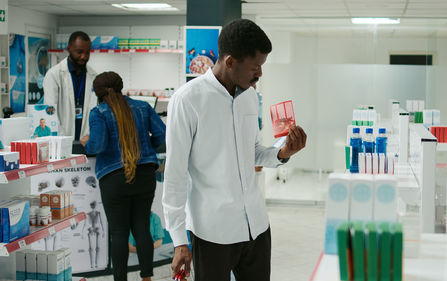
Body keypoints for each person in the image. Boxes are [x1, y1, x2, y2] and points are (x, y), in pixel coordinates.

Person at [162, 19, 307, 281]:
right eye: (255, 67)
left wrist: (283, 152)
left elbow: (253, 152)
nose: (259, 75)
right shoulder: (187, 101)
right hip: (212, 232)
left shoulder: (249, 96)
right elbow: (175, 175)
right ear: (229, 62)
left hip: (256, 228)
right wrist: (179, 240)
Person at [81, 72, 166, 281]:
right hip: (145, 175)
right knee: (142, 227)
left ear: (98, 93)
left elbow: (98, 145)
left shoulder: (98, 112)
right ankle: (147, 278)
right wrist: (148, 149)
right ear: (121, 87)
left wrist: (86, 143)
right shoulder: (143, 107)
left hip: (114, 178)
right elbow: (163, 136)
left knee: (118, 233)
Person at [43, 31, 98, 141]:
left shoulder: (94, 76)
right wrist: (62, 139)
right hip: (62, 140)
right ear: (69, 49)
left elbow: (95, 111)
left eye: (87, 53)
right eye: (79, 52)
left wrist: (90, 135)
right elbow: (50, 111)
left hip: (86, 140)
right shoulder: (54, 74)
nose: (84, 56)